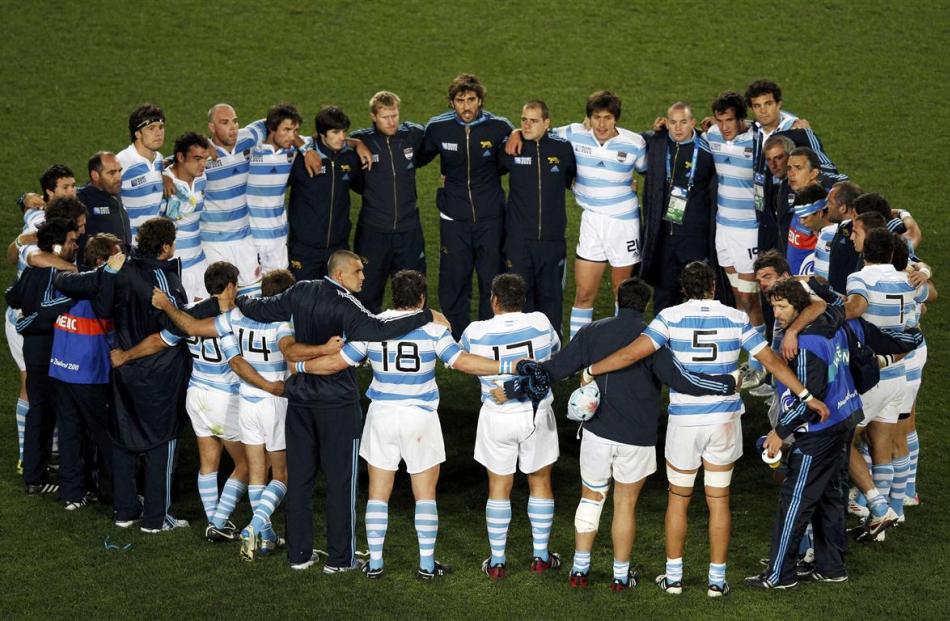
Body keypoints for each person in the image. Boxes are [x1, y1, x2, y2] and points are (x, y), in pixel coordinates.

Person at [585, 261, 830, 597]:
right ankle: (717, 581)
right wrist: (805, 394)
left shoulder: (669, 317)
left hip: (685, 422)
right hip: (723, 422)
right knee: (719, 500)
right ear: (714, 287)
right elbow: (771, 361)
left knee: (679, 499)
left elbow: (631, 354)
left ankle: (674, 579)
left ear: (685, 289)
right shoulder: (736, 318)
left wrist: (594, 369)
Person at [497, 277, 738, 591]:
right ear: (646, 305)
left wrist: (514, 388)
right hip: (637, 437)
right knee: (624, 505)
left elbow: (556, 368)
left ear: (618, 299)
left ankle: (579, 570)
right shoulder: (652, 338)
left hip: (598, 432)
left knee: (591, 499)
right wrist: (727, 383)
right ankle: (620, 577)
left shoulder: (593, 331)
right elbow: (683, 381)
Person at [229, 249, 450, 572]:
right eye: (358, 271)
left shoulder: (300, 290)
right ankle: (340, 559)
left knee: (300, 480)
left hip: (300, 400)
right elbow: (377, 331)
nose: (363, 277)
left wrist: (239, 300)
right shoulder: (346, 304)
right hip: (337, 404)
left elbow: (261, 310)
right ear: (341, 274)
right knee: (339, 483)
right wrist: (425, 316)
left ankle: (299, 555)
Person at [299, 269, 511, 579]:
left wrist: (301, 365)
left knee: (377, 493)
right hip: (419, 419)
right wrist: (506, 365)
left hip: (381, 417)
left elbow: (335, 363)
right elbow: (462, 362)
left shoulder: (368, 327)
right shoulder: (434, 330)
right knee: (424, 494)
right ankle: (426, 564)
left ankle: (375, 563)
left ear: (392, 296)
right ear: (422, 299)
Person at [745, 279, 863, 589]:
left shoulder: (805, 344)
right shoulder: (831, 320)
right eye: (773, 306)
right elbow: (827, 303)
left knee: (795, 501)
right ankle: (832, 567)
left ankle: (779, 575)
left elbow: (813, 402)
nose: (776, 313)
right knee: (830, 496)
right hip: (846, 418)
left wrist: (779, 431)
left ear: (799, 307)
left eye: (782, 306)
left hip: (820, 431)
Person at [457, 274, 560, 580]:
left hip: (497, 415)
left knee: (499, 487)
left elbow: (463, 361)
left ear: (494, 300)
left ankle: (498, 561)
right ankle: (541, 556)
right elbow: (552, 355)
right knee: (540, 482)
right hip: (535, 414)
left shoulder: (476, 331)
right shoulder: (541, 322)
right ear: (522, 299)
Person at [92, 217, 191, 533]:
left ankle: (125, 511)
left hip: (123, 370)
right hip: (157, 374)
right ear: (165, 247)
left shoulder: (122, 271)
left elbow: (103, 309)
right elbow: (173, 332)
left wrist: (122, 356)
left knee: (124, 437)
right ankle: (156, 518)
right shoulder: (164, 280)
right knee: (163, 440)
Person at [844, 225, 935, 540]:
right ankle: (883, 521)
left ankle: (873, 504)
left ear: (867, 250)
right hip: (900, 375)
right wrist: (922, 271)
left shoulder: (860, 279)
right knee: (881, 446)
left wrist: (825, 311)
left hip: (871, 375)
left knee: (842, 441)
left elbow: (854, 309)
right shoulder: (907, 279)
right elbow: (931, 294)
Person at [418, 73, 513, 339]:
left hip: (490, 217)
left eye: (471, 99)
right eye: (460, 100)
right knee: (454, 280)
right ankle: (454, 337)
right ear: (452, 103)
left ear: (480, 100)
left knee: (491, 278)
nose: (466, 106)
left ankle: (487, 334)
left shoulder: (499, 127)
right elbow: (418, 156)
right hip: (453, 218)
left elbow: (507, 163)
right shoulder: (438, 128)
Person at [47, 234, 123, 509]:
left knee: (69, 432)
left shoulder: (64, 283)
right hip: (90, 374)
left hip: (61, 368)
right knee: (107, 437)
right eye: (117, 256)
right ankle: (116, 496)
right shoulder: (101, 290)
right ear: (103, 261)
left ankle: (72, 494)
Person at [5, 218, 81, 495]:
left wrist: (25, 314)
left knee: (41, 412)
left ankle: (35, 475)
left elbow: (12, 297)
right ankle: (36, 478)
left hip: (34, 352)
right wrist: (78, 294)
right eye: (73, 240)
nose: (76, 245)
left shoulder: (31, 271)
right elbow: (49, 306)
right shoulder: (54, 274)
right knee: (48, 413)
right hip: (48, 351)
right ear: (59, 245)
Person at [703, 92, 768, 388]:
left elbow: (782, 126)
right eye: (721, 120)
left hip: (748, 231)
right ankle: (754, 360)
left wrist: (798, 122)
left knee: (749, 298)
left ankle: (760, 367)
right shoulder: (712, 134)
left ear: (742, 118)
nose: (725, 126)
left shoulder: (756, 138)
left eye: (730, 120)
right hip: (723, 230)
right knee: (737, 297)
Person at [497, 100, 576, 333]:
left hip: (552, 242)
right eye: (523, 120)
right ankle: (522, 354)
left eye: (534, 121)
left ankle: (552, 357)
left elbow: (571, 179)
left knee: (552, 301)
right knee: (520, 301)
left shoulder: (562, 149)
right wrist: (513, 133)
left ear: (546, 123)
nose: (527, 125)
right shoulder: (511, 147)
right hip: (519, 242)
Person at [348, 91, 428, 313]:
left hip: (408, 230)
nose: (391, 121)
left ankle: (413, 341)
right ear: (373, 116)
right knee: (367, 292)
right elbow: (327, 138)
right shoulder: (363, 139)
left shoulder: (412, 134)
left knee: (412, 292)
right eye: (385, 117)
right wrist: (354, 143)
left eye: (394, 115)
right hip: (374, 233)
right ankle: (367, 342)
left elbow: (436, 135)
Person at [640, 102, 718, 313]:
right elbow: (626, 141)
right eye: (672, 122)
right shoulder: (657, 143)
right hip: (664, 237)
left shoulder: (707, 149)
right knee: (663, 298)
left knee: (698, 296)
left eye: (683, 122)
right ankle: (661, 342)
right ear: (666, 123)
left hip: (694, 238)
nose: (678, 128)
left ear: (692, 122)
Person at [287, 106, 364, 281]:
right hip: (304, 248)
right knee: (303, 303)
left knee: (335, 302)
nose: (342, 137)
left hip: (338, 248)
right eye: (335, 132)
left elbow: (363, 188)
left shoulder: (349, 158)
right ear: (322, 133)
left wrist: (360, 144)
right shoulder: (302, 159)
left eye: (344, 131)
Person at [202, 104, 268, 295]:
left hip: (244, 238)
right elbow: (176, 162)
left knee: (254, 297)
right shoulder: (202, 155)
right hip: (213, 243)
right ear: (212, 128)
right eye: (224, 123)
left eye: (235, 121)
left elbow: (274, 120)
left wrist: (304, 148)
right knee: (220, 299)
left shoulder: (247, 138)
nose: (233, 127)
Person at [246, 103, 316, 273]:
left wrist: (306, 151)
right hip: (250, 238)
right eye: (286, 130)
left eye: (295, 130)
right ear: (271, 128)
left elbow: (323, 141)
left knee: (278, 292)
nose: (292, 136)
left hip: (278, 237)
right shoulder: (251, 150)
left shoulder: (292, 150)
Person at [161, 132, 212, 301]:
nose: (203, 164)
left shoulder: (202, 178)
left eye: (205, 158)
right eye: (197, 159)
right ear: (181, 157)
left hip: (200, 260)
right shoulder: (163, 185)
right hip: (177, 267)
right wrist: (162, 175)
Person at [117, 104, 166, 244]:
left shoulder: (159, 159)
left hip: (153, 244)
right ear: (137, 133)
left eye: (161, 127)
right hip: (130, 244)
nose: (158, 133)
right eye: (151, 128)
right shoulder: (122, 162)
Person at [77, 152, 130, 265]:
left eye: (119, 171)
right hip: (97, 273)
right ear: (95, 175)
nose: (118, 177)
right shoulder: (82, 199)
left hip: (121, 268)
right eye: (112, 173)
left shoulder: (113, 191)